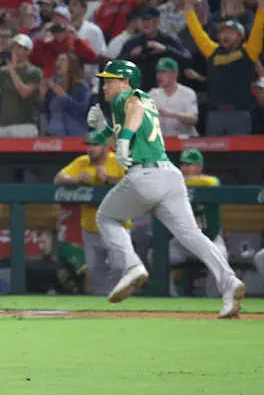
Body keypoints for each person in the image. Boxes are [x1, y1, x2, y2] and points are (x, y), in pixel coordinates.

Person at [88, 60, 244, 318]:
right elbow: (131, 127)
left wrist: (124, 142)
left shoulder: (127, 97)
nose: (105, 86)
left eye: (110, 80)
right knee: (192, 235)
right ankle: (229, 283)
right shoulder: (145, 99)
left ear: (125, 81)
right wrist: (104, 130)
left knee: (106, 217)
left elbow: (133, 111)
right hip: (169, 175)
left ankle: (132, 266)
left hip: (145, 175)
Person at [182, 0, 264, 135]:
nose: (224, 35)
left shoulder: (249, 51)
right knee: (213, 155)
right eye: (222, 32)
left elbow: (258, 30)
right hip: (215, 113)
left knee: (240, 155)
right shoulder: (212, 51)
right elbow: (197, 33)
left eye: (230, 32)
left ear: (240, 36)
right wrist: (188, 10)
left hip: (240, 113)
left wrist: (262, 7)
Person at [55, 131, 126, 296]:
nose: (90, 149)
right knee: (94, 271)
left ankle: (124, 301)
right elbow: (58, 178)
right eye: (89, 145)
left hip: (116, 223)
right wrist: (75, 180)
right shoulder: (82, 162)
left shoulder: (117, 161)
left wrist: (108, 179)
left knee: (118, 266)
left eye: (95, 145)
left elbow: (134, 183)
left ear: (106, 147)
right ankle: (104, 305)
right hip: (90, 226)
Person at [171, 149, 228, 297]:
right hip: (183, 243)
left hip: (210, 238)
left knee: (220, 258)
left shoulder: (209, 183)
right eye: (183, 165)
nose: (185, 168)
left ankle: (213, 299)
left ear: (199, 167)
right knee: (155, 255)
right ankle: (170, 297)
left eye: (190, 165)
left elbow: (213, 182)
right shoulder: (175, 184)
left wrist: (185, 181)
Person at [0, 33, 42, 137]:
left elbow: (24, 92)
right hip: (4, 126)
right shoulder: (3, 71)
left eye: (19, 48)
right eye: (13, 47)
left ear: (28, 51)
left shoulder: (34, 72)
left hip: (25, 125)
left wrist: (12, 69)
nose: (14, 51)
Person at [148, 57, 198, 137]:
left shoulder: (188, 93)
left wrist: (172, 114)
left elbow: (193, 118)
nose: (159, 76)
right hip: (162, 141)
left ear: (174, 74)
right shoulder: (153, 94)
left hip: (185, 141)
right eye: (158, 72)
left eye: (163, 72)